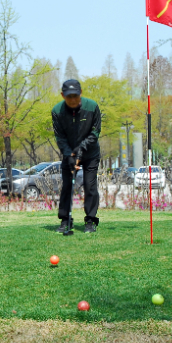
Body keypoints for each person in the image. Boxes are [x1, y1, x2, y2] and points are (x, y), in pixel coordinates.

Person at [51, 79, 102, 234]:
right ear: (62, 95)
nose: (72, 99)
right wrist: (69, 155)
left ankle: (90, 220)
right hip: (69, 154)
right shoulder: (57, 111)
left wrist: (81, 149)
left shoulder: (92, 107)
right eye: (68, 96)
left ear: (81, 93)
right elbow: (60, 137)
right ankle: (65, 220)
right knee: (67, 186)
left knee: (89, 185)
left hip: (91, 153)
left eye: (75, 95)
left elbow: (95, 132)